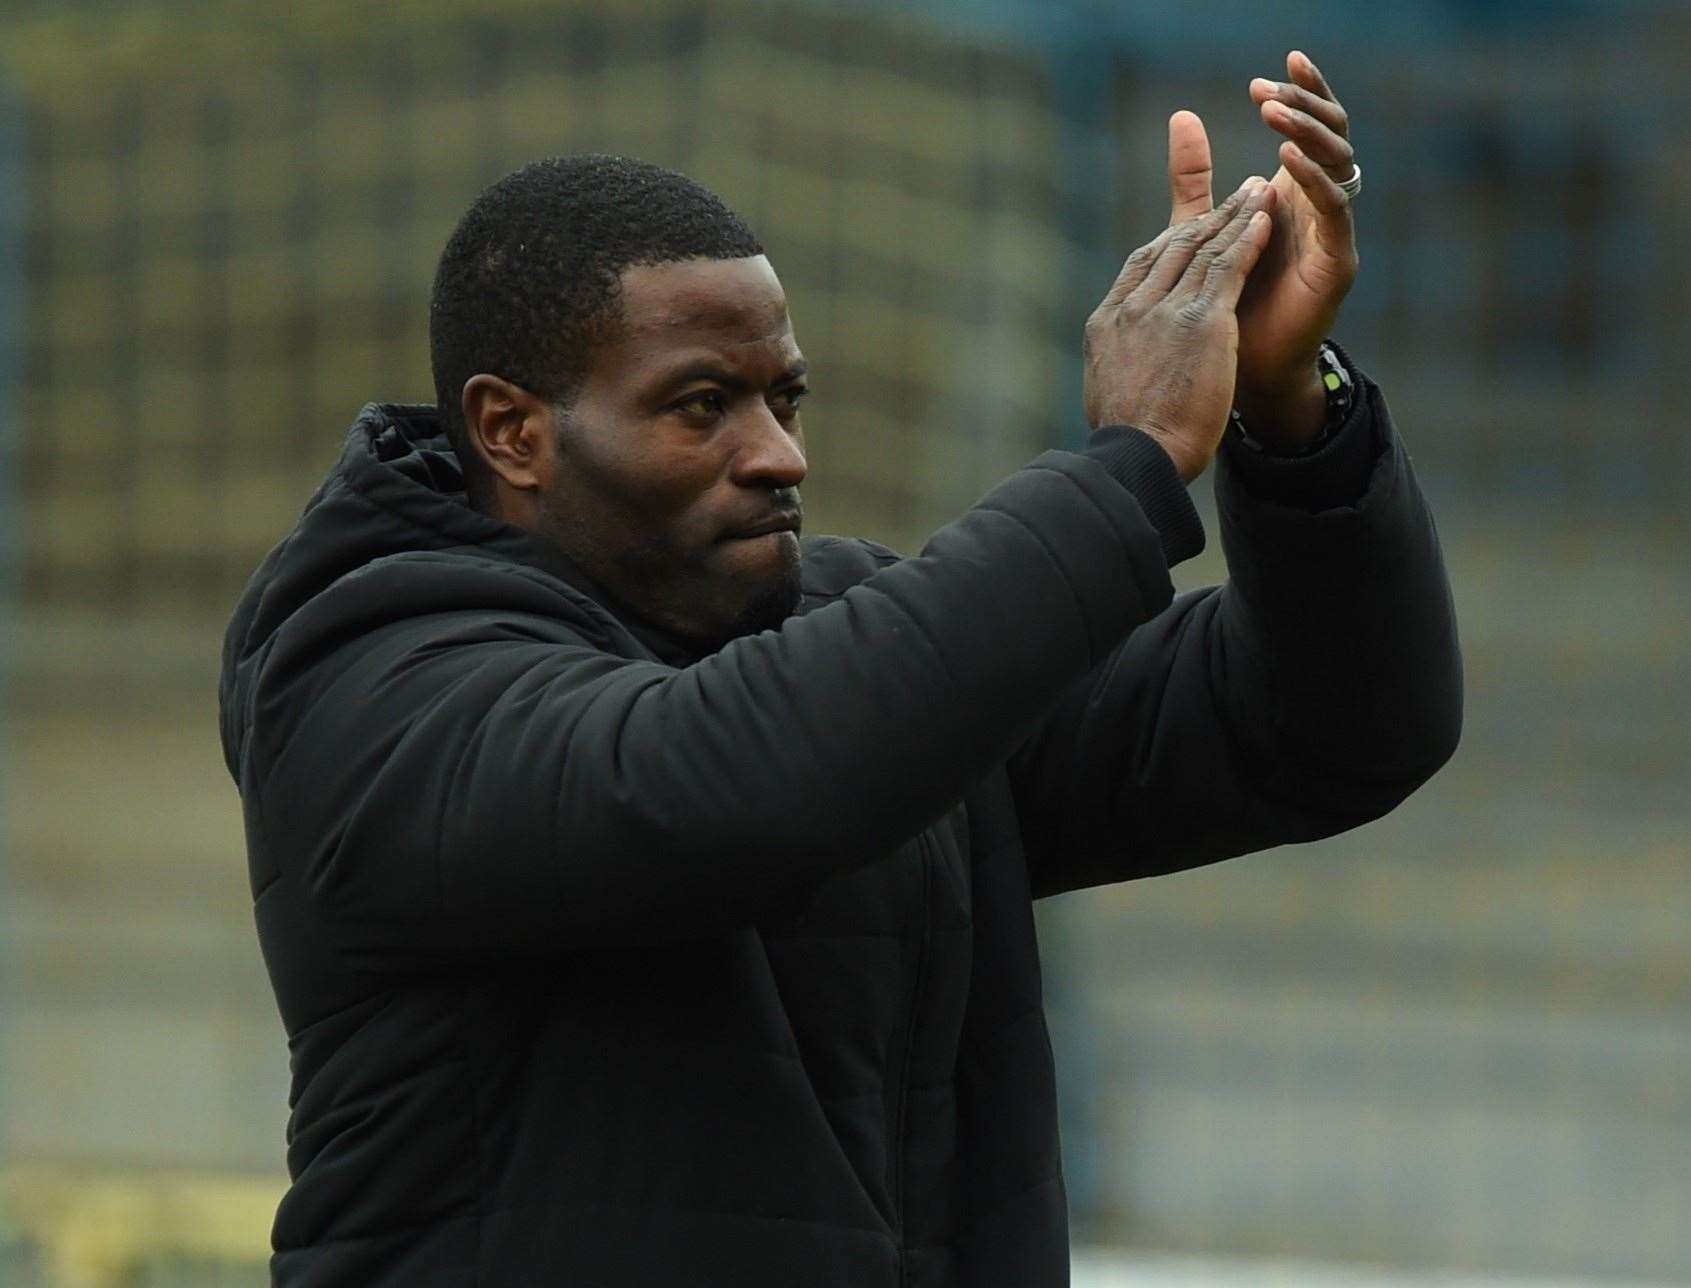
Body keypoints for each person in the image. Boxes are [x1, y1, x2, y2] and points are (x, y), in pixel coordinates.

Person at [219, 51, 1460, 1287]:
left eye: (784, 398)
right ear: (512, 431)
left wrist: (1288, 411)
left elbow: (1340, 726)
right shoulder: (369, 674)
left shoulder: (853, 646)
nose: (777, 455)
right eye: (701, 404)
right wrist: (1125, 466)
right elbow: (724, 785)